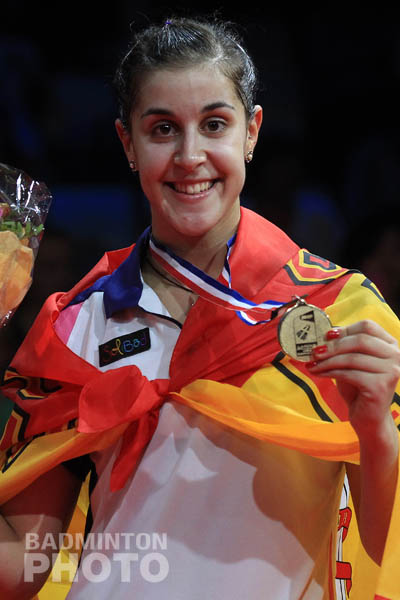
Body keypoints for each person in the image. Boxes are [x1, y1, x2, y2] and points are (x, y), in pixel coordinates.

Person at [0, 16, 399, 600]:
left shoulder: (341, 308)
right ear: (127, 143)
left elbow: (383, 543)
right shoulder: (77, 323)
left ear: (251, 132)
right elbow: (24, 563)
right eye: (163, 129)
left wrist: (376, 430)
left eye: (214, 124)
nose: (190, 156)